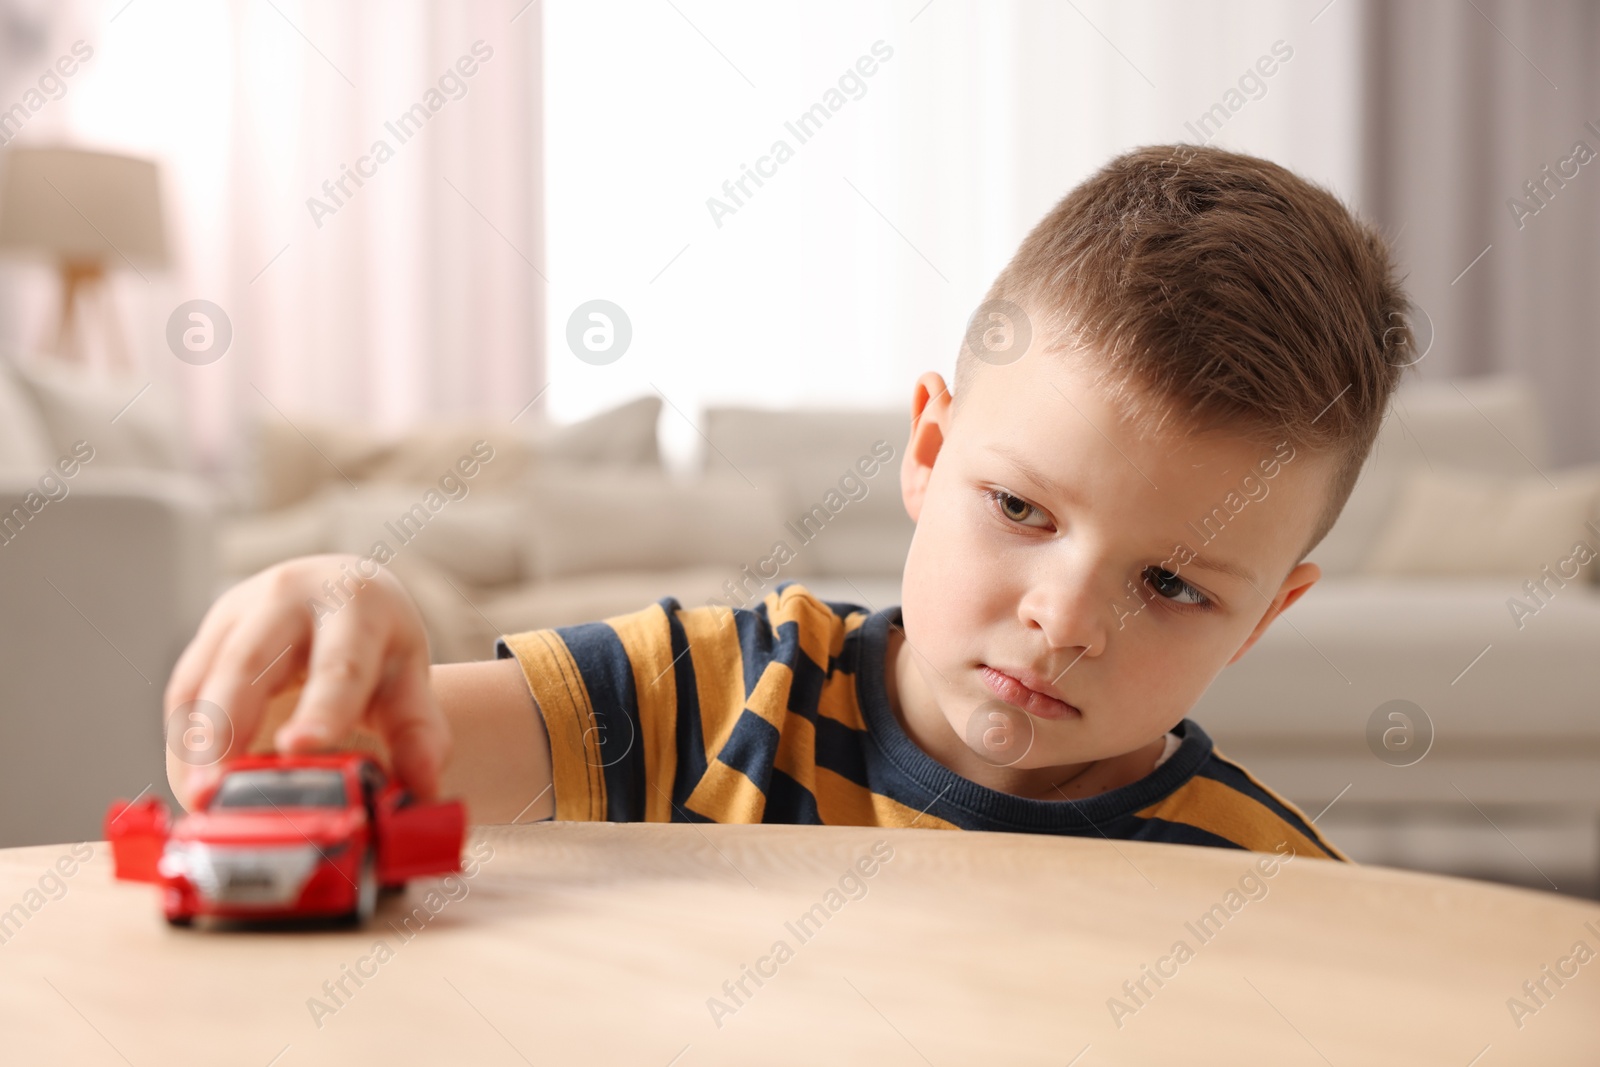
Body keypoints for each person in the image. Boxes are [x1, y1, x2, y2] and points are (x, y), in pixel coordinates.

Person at [165, 144, 1412, 859]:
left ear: (1262, 616)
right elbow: (312, 766)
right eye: (1022, 509)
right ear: (928, 446)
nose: (1065, 618)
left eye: (1173, 582)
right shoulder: (708, 695)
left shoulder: (1268, 881)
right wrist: (332, 623)